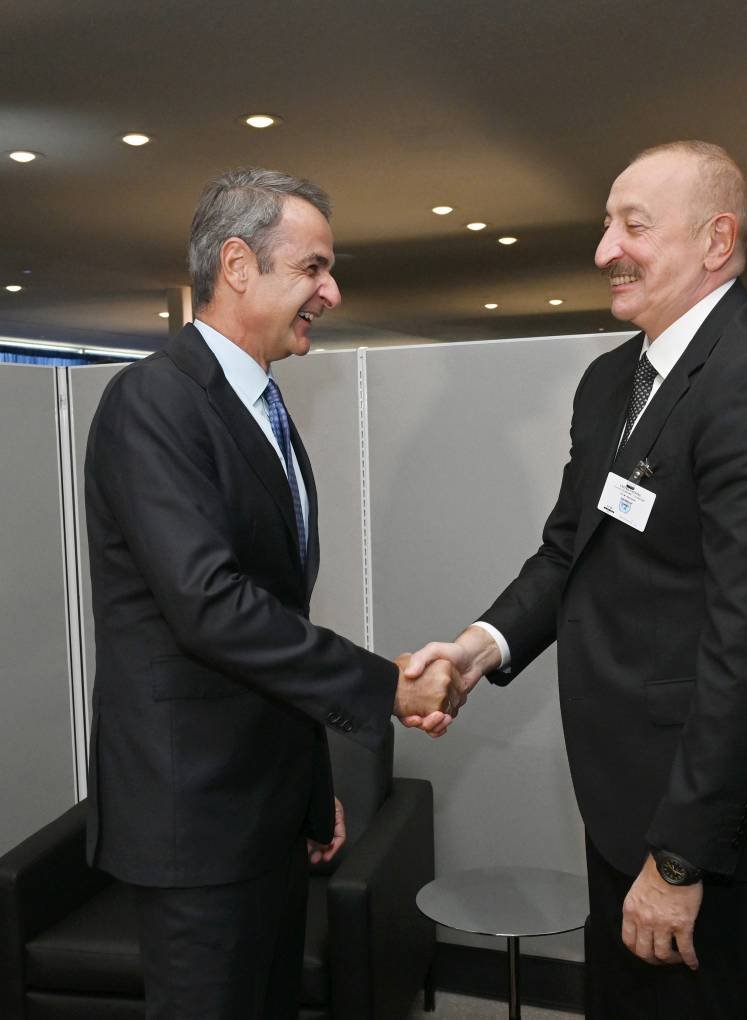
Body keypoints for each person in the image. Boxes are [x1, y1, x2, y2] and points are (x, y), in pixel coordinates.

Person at [405, 141, 747, 1019]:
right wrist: (477, 650)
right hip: (623, 806)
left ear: (715, 241)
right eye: (606, 225)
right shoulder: (613, 381)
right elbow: (570, 549)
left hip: (703, 831)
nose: (605, 249)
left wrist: (678, 862)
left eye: (633, 227)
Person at [84, 167, 456, 1020]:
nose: (331, 291)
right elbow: (211, 606)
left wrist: (308, 787)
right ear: (237, 265)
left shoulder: (260, 406)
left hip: (264, 810)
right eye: (313, 268)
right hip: (196, 821)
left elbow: (275, 617)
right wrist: (388, 688)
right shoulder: (155, 400)